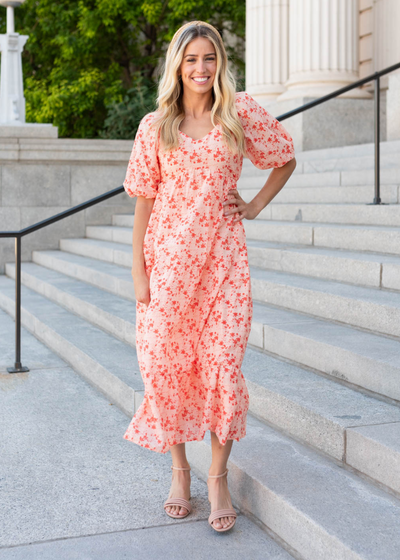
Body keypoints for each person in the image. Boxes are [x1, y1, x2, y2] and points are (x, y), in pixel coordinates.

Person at [123, 20, 296, 533]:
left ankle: (216, 478)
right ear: (177, 64)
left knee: (223, 365)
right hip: (168, 266)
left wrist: (254, 205)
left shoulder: (238, 114)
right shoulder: (156, 126)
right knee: (163, 368)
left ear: (220, 62)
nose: (201, 68)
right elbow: (143, 205)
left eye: (210, 58)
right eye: (192, 59)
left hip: (224, 267)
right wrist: (139, 272)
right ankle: (180, 473)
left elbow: (284, 158)